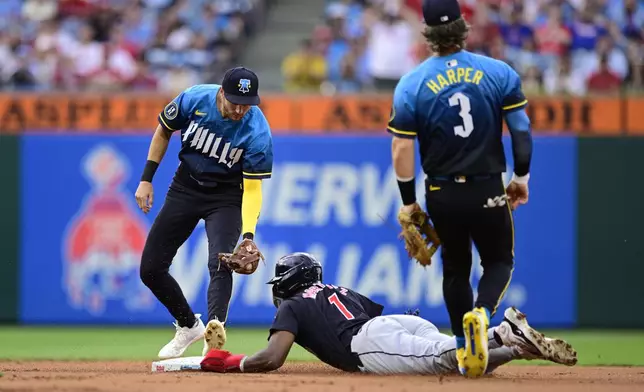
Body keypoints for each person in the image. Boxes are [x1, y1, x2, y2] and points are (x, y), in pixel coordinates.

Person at [388, 0, 533, 378]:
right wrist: (521, 178)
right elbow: (520, 130)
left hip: (442, 192)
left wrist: (408, 204)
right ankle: (482, 316)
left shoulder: (412, 83)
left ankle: (462, 347)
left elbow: (402, 146)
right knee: (499, 261)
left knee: (454, 268)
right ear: (463, 27)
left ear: (428, 33)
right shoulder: (498, 72)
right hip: (487, 186)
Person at [198, 252, 577, 375]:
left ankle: (502, 332)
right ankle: (511, 344)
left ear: (290, 281)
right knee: (463, 364)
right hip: (392, 323)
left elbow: (272, 357)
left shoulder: (294, 305)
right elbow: (369, 314)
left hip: (368, 344)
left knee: (445, 361)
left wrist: (232, 362)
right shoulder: (336, 289)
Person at [134, 66, 274, 359]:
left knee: (222, 260)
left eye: (246, 104)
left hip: (227, 196)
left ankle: (215, 331)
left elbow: (252, 189)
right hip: (185, 187)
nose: (239, 109)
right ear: (221, 92)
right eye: (234, 101)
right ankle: (188, 326)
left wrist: (248, 234)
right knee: (150, 269)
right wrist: (147, 178)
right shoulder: (195, 99)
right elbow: (164, 130)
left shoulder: (257, 131)